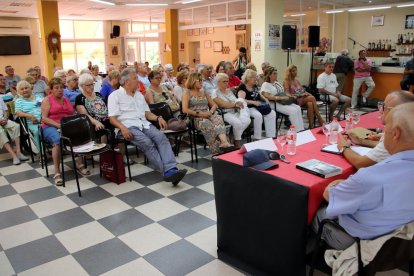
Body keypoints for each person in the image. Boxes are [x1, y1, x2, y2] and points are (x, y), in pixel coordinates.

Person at [312, 102, 414, 250]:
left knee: (316, 211)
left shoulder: (371, 176)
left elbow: (330, 195)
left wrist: (339, 183)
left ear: (396, 134)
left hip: (365, 243)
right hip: (401, 245)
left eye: (385, 129)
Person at [108, 68, 187, 185]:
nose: (138, 80)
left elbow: (146, 113)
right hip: (127, 126)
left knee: (161, 137)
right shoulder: (115, 96)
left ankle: (171, 169)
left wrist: (158, 118)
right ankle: (167, 172)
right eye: (135, 78)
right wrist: (123, 128)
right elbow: (112, 119)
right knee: (147, 142)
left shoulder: (139, 95)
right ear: (126, 82)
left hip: (143, 124)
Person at [337, 90, 414, 169]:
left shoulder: (395, 132)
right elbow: (385, 147)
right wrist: (360, 141)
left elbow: (360, 163)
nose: (380, 111)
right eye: (381, 105)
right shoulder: (408, 128)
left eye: (384, 107)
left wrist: (344, 148)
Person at [41, 78, 86, 185]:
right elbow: (44, 118)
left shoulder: (65, 99)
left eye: (61, 87)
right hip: (49, 126)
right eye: (56, 88)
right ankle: (57, 172)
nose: (60, 90)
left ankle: (79, 164)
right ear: (51, 90)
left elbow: (72, 113)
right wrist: (58, 125)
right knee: (57, 140)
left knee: (80, 134)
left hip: (65, 125)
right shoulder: (47, 100)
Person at [182, 72, 233, 154]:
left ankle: (224, 143)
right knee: (207, 124)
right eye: (200, 81)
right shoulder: (187, 93)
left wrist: (211, 112)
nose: (202, 83)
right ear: (193, 81)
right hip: (194, 117)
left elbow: (214, 105)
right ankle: (217, 150)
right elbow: (185, 109)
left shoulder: (204, 92)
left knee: (218, 118)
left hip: (207, 114)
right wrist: (201, 114)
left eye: (202, 81)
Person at [212, 73, 251, 148]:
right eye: (224, 81)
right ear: (218, 82)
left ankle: (233, 136)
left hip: (235, 110)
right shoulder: (215, 92)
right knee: (237, 123)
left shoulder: (229, 91)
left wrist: (238, 102)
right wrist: (236, 104)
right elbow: (223, 104)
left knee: (247, 121)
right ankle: (237, 141)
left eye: (227, 81)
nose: (227, 83)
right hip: (224, 113)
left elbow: (235, 100)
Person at [261, 67, 304, 131]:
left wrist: (290, 96)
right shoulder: (266, 84)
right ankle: (297, 131)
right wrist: (280, 98)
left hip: (282, 101)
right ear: (269, 75)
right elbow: (266, 96)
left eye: (276, 73)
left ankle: (301, 129)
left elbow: (283, 92)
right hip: (273, 103)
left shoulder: (276, 83)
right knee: (293, 111)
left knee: (298, 108)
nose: (276, 75)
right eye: (274, 74)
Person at [238, 69, 276, 140]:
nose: (256, 79)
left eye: (256, 77)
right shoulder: (242, 87)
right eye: (254, 77)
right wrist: (253, 102)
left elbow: (258, 94)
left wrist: (265, 99)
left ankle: (271, 135)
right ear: (248, 78)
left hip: (257, 106)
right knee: (258, 116)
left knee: (272, 113)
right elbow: (241, 100)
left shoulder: (254, 86)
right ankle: (257, 137)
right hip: (248, 107)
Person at [76, 73, 111, 143]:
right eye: (88, 85)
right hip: (92, 123)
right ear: (82, 86)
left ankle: (121, 153)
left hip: (107, 120)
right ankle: (103, 152)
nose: (91, 87)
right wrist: (96, 122)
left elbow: (107, 108)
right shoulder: (80, 98)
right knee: (102, 130)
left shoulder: (98, 94)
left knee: (119, 127)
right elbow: (85, 115)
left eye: (92, 84)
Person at [0, 94, 28, 165]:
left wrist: (5, 118)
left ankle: (18, 152)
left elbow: (5, 110)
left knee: (16, 126)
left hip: (3, 119)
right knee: (1, 132)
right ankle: (14, 156)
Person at [15, 80, 42, 152]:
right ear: (19, 91)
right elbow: (18, 112)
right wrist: (31, 116)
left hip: (44, 119)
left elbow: (45, 106)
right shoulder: (19, 101)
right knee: (37, 131)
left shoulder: (38, 96)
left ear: (30, 88)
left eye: (26, 88)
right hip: (31, 123)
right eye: (22, 89)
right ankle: (41, 153)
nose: (24, 90)